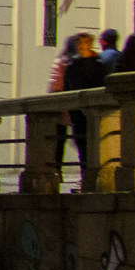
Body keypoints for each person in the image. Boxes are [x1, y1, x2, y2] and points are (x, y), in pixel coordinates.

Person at [56, 30, 108, 183]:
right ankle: (90, 175)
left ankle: (88, 175)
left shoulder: (75, 65)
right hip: (87, 112)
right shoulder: (97, 64)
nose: (82, 46)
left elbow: (68, 89)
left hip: (81, 112)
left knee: (84, 145)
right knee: (89, 144)